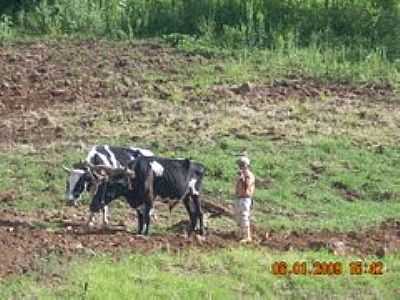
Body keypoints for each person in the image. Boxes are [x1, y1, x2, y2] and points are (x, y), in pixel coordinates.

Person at [234, 155, 255, 243]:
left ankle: (247, 236)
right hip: (239, 198)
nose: (240, 167)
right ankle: (241, 234)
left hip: (245, 198)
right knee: (238, 217)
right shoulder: (242, 175)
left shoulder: (249, 175)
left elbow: (247, 186)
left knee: (244, 216)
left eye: (242, 165)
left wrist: (242, 178)